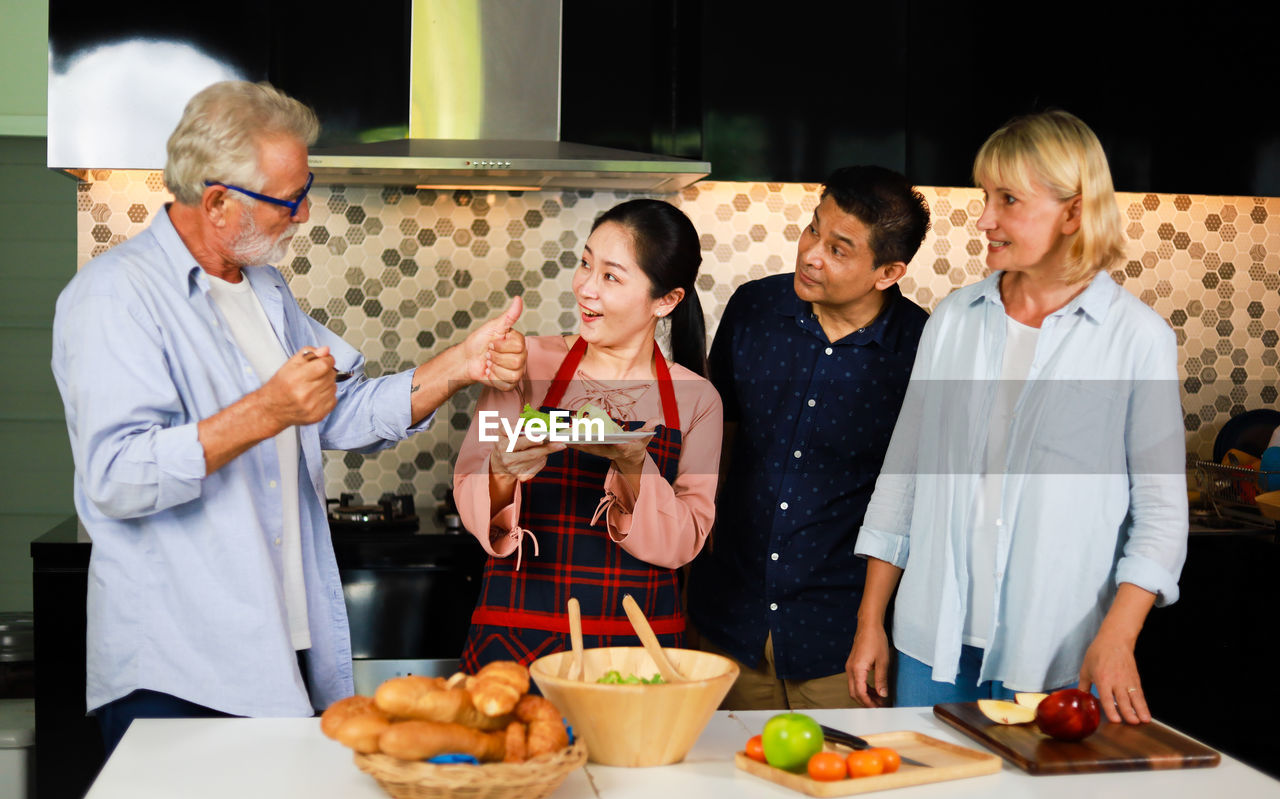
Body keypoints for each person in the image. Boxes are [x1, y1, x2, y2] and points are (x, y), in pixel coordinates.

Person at [50, 80, 527, 754]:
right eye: (289, 198)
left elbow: (339, 408)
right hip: (178, 676)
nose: (303, 214)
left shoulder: (264, 288)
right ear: (217, 202)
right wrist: (267, 409)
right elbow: (117, 476)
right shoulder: (114, 297)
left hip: (281, 656)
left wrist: (459, 365)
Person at [847, 111, 1188, 724]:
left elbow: (1162, 515)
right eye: (986, 197)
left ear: (1074, 212)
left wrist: (1118, 637)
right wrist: (872, 620)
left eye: (1008, 199)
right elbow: (904, 476)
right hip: (930, 650)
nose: (985, 218)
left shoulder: (1137, 340)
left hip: (1059, 656)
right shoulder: (952, 321)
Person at [685, 166, 931, 710]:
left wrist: (873, 626)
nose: (811, 254)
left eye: (839, 249)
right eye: (812, 229)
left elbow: (912, 504)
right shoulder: (754, 310)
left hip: (839, 638)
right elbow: (717, 450)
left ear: (887, 272)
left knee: (841, 787)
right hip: (729, 621)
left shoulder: (921, 349)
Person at [453, 199, 722, 668]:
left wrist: (635, 465)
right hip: (516, 640)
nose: (585, 288)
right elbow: (470, 485)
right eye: (585, 264)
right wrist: (500, 472)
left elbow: (685, 543)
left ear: (667, 300)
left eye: (611, 276)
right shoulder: (526, 366)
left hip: (641, 650)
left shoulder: (697, 399)